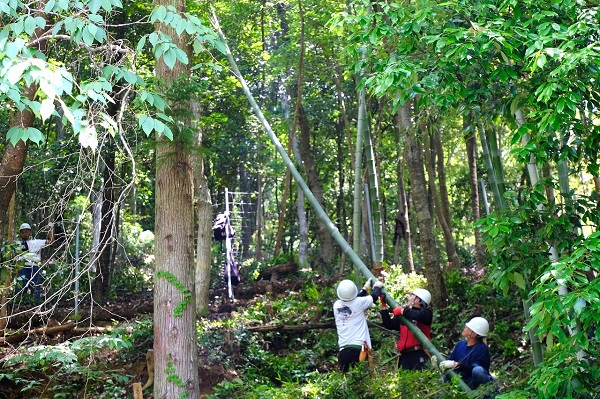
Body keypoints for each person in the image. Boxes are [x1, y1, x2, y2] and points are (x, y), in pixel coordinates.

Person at [333, 277, 383, 371]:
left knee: (349, 382)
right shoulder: (359, 303)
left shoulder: (336, 305)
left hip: (343, 352)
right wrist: (377, 287)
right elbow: (374, 296)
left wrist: (364, 289)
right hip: (359, 350)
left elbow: (352, 301)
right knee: (362, 381)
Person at [380, 288, 433, 370]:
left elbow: (417, 315)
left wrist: (403, 311)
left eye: (412, 296)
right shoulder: (405, 315)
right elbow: (389, 324)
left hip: (419, 354)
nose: (409, 298)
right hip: (405, 356)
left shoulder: (426, 313)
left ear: (417, 299)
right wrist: (384, 308)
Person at [440, 317, 494, 389]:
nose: (464, 328)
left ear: (473, 334)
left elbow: (474, 369)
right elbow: (450, 361)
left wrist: (456, 365)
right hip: (459, 380)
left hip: (473, 382)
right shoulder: (460, 344)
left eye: (467, 328)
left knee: (478, 370)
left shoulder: (482, 348)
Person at [15, 222, 54, 301]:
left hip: (35, 267)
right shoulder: (18, 244)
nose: (24, 234)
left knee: (35, 286)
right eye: (22, 232)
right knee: (21, 286)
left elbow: (51, 241)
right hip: (23, 267)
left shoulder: (37, 242)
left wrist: (50, 229)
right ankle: (20, 302)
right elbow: (17, 258)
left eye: (26, 232)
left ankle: (36, 303)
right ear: (20, 234)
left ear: (30, 232)